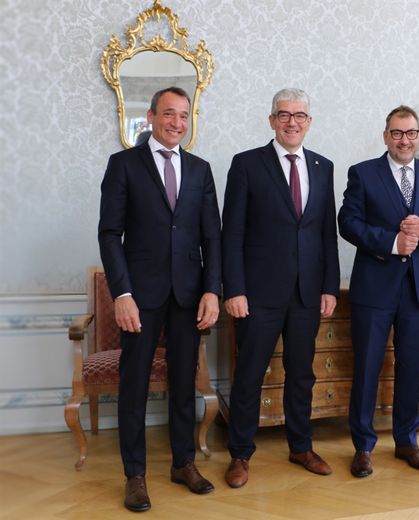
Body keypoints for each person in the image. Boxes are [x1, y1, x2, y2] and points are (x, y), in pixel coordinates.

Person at [98, 86, 221, 512]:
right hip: (140, 295)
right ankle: (135, 475)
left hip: (188, 294)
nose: (177, 122)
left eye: (184, 115)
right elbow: (109, 234)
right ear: (150, 117)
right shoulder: (124, 165)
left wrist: (212, 290)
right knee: (133, 386)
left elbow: (212, 238)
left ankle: (183, 463)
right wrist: (122, 293)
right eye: (169, 113)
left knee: (184, 382)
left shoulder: (201, 170)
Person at [221, 88, 340, 487]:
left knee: (302, 375)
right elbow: (231, 233)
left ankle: (301, 446)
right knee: (249, 375)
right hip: (257, 294)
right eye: (284, 115)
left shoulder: (323, 166)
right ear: (271, 120)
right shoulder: (246, 164)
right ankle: (240, 454)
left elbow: (326, 233)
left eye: (300, 115)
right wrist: (234, 289)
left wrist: (329, 286)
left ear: (309, 121)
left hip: (307, 293)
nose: (292, 122)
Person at [338, 105, 419, 477]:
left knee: (411, 367)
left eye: (411, 133)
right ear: (386, 136)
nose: (404, 140)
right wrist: (391, 243)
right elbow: (347, 222)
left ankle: (407, 441)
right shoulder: (363, 173)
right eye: (397, 133)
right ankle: (363, 446)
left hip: (417, 290)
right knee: (368, 367)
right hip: (374, 289)